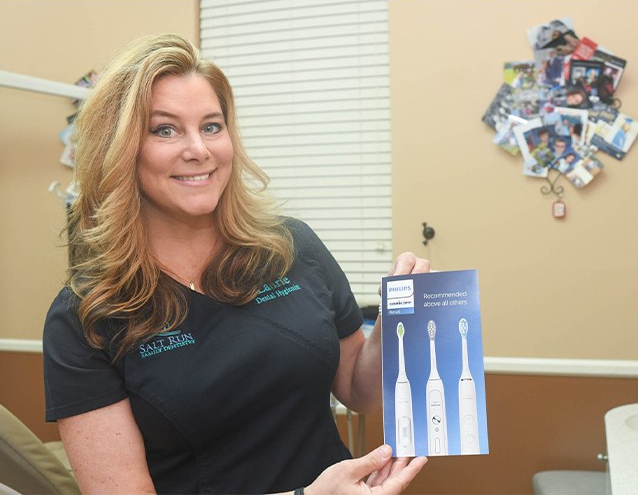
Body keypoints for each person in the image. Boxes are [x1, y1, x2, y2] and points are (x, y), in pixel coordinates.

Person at [42, 34, 429, 495]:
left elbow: (358, 390)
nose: (199, 150)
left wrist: (393, 322)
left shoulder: (293, 247)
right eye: (165, 129)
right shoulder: (85, 316)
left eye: (211, 126)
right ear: (121, 148)